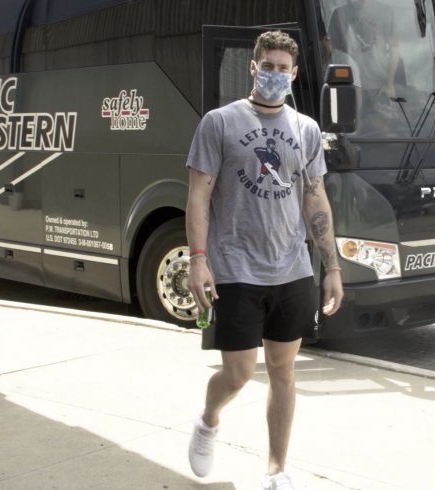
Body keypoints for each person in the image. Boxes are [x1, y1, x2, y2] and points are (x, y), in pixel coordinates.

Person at [184, 30, 344, 489]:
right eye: (267, 66)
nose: (275, 74)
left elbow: (315, 199)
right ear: (253, 67)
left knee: (283, 370)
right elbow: (198, 195)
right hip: (234, 267)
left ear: (295, 74)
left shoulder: (305, 129)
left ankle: (277, 469)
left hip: (291, 268)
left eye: (283, 68)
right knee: (238, 374)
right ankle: (209, 419)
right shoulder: (219, 122)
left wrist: (331, 267)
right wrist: (199, 260)